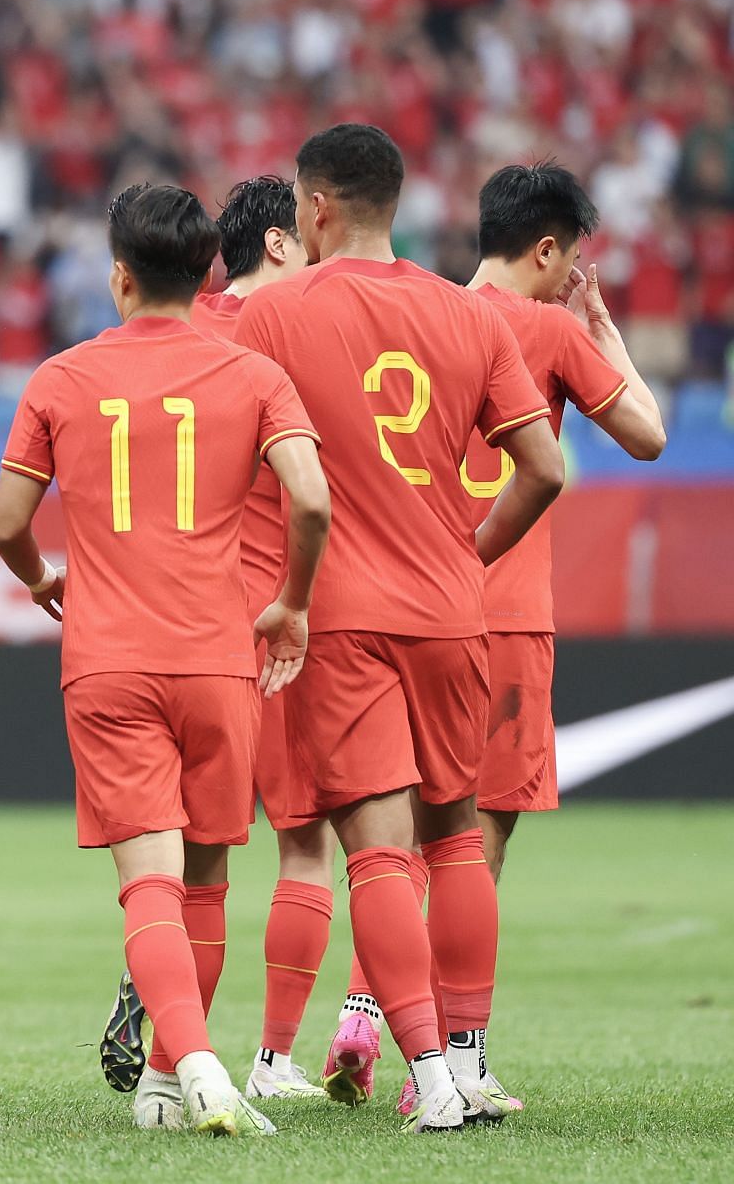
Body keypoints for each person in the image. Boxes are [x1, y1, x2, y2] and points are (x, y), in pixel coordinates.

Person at [237, 125, 564, 1131]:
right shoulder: (466, 315)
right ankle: (465, 1062)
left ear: (319, 208)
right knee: (456, 835)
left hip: (344, 616)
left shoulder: (274, 313)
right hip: (452, 612)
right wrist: (467, 554)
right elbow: (545, 468)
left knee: (377, 850)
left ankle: (423, 1078)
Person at [0, 183, 330, 1136]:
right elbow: (310, 501)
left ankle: (193, 1074)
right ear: (209, 272)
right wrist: (292, 603)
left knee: (148, 878)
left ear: (118, 275)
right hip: (218, 654)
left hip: (108, 656)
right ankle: (171, 1077)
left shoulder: (60, 378)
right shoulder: (253, 374)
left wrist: (45, 577)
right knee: (209, 879)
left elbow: (7, 521)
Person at [360, 161, 667, 1116]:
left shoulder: (421, 315)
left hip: (400, 610)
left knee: (392, 835)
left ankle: (372, 1011)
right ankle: (458, 1055)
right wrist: (600, 327)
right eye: (571, 257)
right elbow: (649, 434)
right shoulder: (543, 327)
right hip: (503, 608)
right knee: (475, 838)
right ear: (547, 249)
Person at [97, 175, 334, 1103]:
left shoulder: (176, 327)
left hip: (166, 623)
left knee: (177, 855)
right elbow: (325, 478)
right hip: (274, 621)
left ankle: (163, 1013)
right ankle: (267, 1059)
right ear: (279, 244)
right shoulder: (292, 339)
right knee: (305, 840)